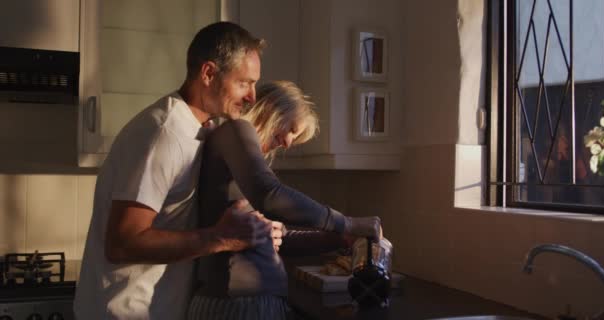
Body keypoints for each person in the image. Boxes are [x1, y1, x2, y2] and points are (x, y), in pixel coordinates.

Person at [74, 22, 284, 320]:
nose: (252, 96)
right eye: (243, 83)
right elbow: (122, 242)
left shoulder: (202, 128)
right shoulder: (164, 133)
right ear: (209, 73)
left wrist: (256, 228)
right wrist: (222, 237)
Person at [188, 81, 382, 320]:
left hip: (249, 306)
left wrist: (342, 238)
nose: (288, 143)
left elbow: (282, 240)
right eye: (291, 128)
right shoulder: (235, 129)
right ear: (273, 110)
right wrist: (348, 223)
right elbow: (271, 194)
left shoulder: (240, 168)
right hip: (236, 308)